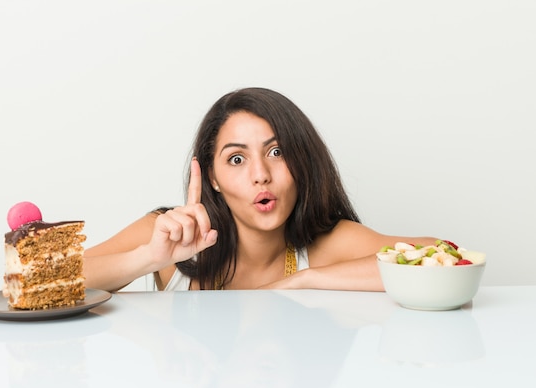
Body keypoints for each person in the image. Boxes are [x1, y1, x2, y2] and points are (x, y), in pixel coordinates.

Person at [84, 87, 438, 291]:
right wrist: (149, 259)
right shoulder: (168, 235)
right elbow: (34, 285)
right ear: (213, 178)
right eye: (237, 159)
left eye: (277, 152)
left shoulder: (326, 246)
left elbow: (440, 254)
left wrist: (305, 280)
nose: (260, 175)